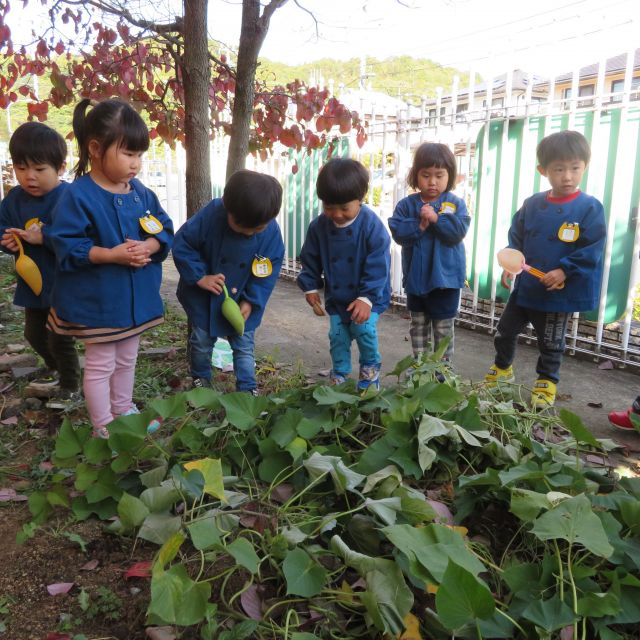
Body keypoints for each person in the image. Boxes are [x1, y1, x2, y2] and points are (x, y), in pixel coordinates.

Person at [47, 99, 174, 438]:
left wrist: (151, 244)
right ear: (96, 148)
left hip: (132, 302)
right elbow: (65, 244)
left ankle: (123, 408)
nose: (136, 164)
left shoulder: (141, 193)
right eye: (128, 154)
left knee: (127, 358)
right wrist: (110, 254)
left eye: (139, 155)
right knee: (101, 364)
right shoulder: (78, 196)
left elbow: (163, 225)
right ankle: (103, 424)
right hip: (99, 303)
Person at [484, 130, 607, 409]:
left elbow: (592, 247)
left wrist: (565, 270)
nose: (567, 176)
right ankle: (503, 369)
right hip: (526, 287)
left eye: (575, 168)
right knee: (504, 331)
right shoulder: (533, 204)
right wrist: (510, 264)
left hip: (556, 292)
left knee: (551, 342)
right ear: (543, 170)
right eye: (559, 169)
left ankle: (547, 380)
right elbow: (517, 237)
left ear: (584, 166)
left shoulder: (589, 208)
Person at [172, 170, 284, 394]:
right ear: (226, 204)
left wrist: (252, 300)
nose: (248, 233)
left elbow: (267, 272)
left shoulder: (270, 232)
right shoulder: (212, 215)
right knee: (201, 342)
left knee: (243, 347)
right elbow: (183, 243)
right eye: (241, 225)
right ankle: (201, 381)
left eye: (257, 229)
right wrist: (200, 276)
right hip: (206, 296)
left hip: (243, 297)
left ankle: (248, 389)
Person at [0, 122, 80, 398]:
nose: (29, 177)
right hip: (32, 284)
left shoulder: (69, 197)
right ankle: (60, 370)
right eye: (21, 169)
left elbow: (79, 237)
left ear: (60, 168)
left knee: (60, 337)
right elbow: (3, 226)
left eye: (38, 169)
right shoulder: (14, 200)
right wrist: (8, 240)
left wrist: (45, 238)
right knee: (34, 334)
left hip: (64, 282)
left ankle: (71, 386)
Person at [297, 157, 391, 390]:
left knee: (363, 329)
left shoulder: (371, 226)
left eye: (344, 208)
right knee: (337, 335)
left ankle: (369, 372)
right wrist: (310, 286)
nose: (336, 214)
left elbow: (379, 264)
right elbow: (310, 258)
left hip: (370, 296)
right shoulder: (319, 227)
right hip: (338, 297)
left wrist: (366, 298)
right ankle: (339, 374)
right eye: (329, 207)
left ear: (360, 200)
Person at [388, 142, 470, 366]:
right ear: (416, 176)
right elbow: (398, 233)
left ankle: (442, 371)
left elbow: (458, 232)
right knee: (419, 326)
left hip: (446, 281)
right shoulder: (406, 206)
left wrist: (437, 219)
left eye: (439, 175)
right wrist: (420, 225)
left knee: (443, 328)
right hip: (417, 280)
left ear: (449, 176)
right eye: (426, 175)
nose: (432, 181)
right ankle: (421, 368)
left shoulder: (455, 204)